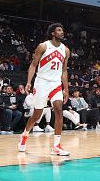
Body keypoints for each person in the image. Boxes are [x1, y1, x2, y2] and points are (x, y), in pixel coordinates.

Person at [18, 23, 70, 156]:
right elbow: (33, 65)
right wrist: (29, 82)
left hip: (55, 84)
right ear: (53, 33)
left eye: (62, 30)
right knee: (37, 114)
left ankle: (56, 146)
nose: (62, 32)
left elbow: (64, 71)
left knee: (58, 110)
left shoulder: (66, 50)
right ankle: (25, 134)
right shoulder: (43, 46)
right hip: (41, 83)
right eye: (59, 30)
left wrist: (66, 89)